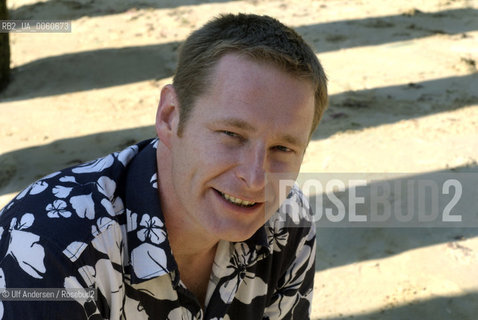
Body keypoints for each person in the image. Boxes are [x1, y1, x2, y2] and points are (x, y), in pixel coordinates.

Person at [0, 13, 327, 320]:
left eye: (283, 148)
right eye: (231, 134)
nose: (255, 178)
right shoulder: (51, 246)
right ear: (169, 116)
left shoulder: (287, 223)